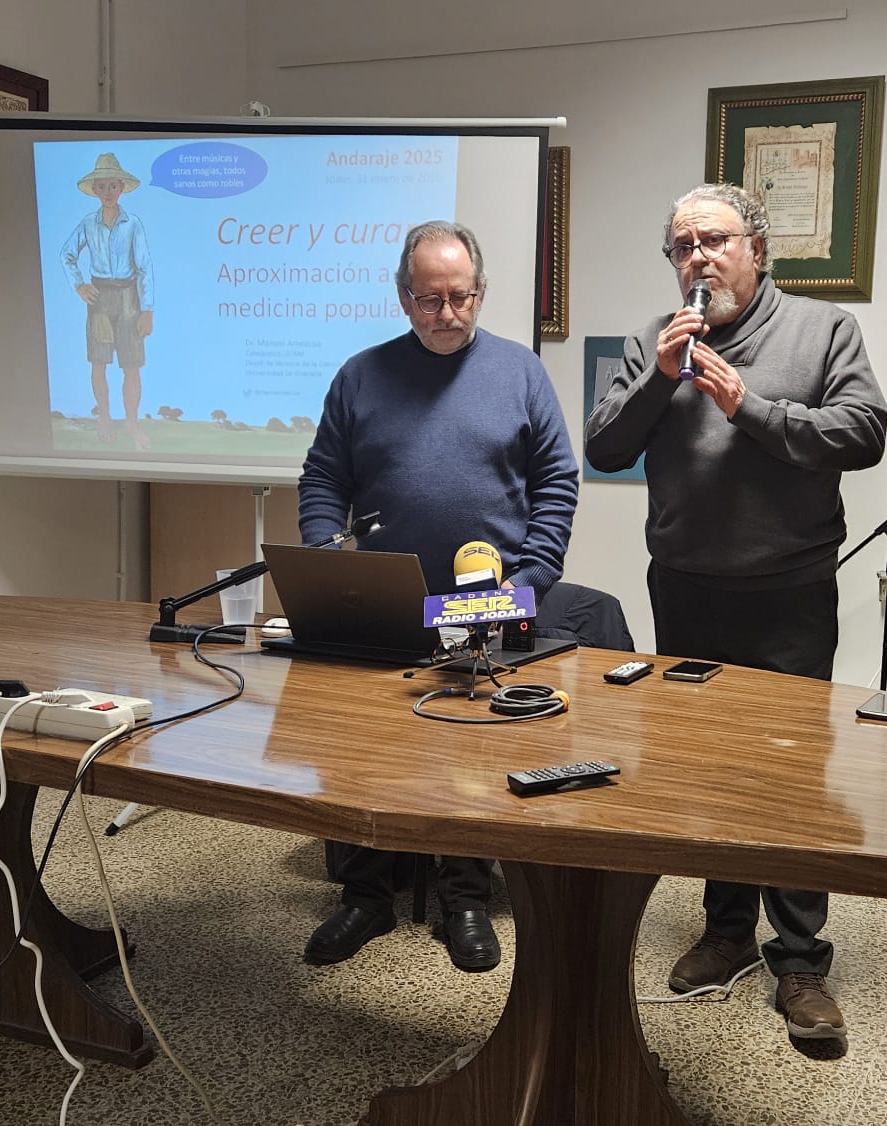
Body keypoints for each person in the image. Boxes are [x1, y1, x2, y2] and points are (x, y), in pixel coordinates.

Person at [584, 183, 887, 1047]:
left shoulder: (823, 330)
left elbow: (861, 432)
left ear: (757, 247)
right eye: (682, 246)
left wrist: (746, 407)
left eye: (712, 240)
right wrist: (663, 376)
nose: (696, 260)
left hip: (788, 589)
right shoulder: (661, 339)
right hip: (686, 586)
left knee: (790, 772)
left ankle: (798, 957)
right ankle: (725, 931)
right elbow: (605, 445)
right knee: (705, 767)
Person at [297, 220, 579, 972]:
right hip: (382, 596)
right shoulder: (361, 376)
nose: (447, 314)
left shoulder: (519, 373)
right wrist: (329, 555)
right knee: (363, 743)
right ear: (402, 296)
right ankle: (364, 896)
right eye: (429, 300)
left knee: (467, 746)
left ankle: (465, 897)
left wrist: (533, 575)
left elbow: (557, 481)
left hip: (482, 598)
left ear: (480, 292)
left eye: (461, 298)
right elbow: (324, 478)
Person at [61, 152, 155, 450]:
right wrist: (79, 285)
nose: (108, 192)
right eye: (102, 187)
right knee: (99, 362)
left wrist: (147, 310)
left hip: (129, 296)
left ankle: (131, 422)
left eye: (113, 186)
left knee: (132, 364)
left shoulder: (133, 224)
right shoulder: (89, 223)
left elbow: (145, 267)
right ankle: (104, 418)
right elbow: (67, 254)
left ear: (122, 187)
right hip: (100, 296)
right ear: (95, 190)